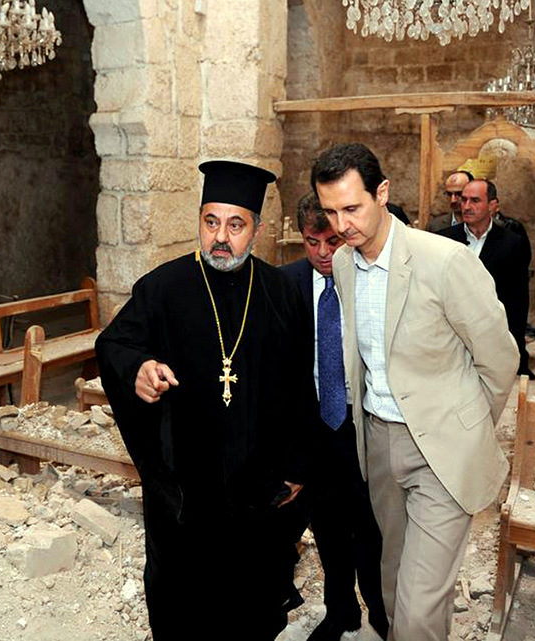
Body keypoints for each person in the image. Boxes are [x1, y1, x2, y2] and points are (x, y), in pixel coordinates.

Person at [95, 160, 319, 640]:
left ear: (255, 230)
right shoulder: (162, 287)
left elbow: (304, 382)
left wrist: (298, 467)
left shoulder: (281, 293)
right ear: (199, 221)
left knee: (251, 601)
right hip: (185, 484)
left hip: (257, 487)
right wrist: (139, 369)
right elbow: (114, 344)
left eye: (235, 224)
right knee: (181, 601)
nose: (221, 236)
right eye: (211, 221)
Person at [311, 143, 517, 641]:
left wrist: (464, 426)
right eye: (331, 211)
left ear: (382, 194)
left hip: (441, 452)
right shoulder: (342, 265)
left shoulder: (444, 261)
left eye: (352, 208)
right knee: (392, 581)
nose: (342, 225)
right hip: (378, 445)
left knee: (419, 606)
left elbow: (500, 358)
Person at [280, 193, 388, 641]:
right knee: (326, 529)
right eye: (312, 243)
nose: (324, 253)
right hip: (314, 430)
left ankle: (383, 616)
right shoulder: (284, 283)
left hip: (362, 423)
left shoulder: (367, 277)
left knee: (371, 530)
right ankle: (340, 610)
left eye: (332, 241)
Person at [438, 179, 531, 378]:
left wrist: (515, 350)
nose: (466, 206)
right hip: (451, 338)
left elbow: (517, 300)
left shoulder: (512, 243)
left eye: (474, 201)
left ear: (492, 205)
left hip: (491, 336)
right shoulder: (443, 239)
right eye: (464, 200)